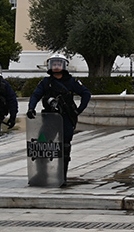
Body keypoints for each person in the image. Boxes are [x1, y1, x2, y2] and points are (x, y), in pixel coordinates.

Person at [27, 53, 92, 186]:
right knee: (42, 145)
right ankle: (41, 174)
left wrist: (79, 110)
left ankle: (62, 176)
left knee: (65, 147)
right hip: (50, 118)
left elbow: (86, 94)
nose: (56, 67)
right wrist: (31, 108)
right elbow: (36, 95)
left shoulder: (72, 81)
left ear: (64, 66)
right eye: (54, 64)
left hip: (66, 118)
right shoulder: (46, 82)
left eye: (59, 64)